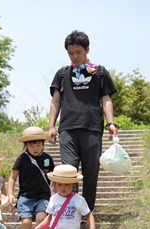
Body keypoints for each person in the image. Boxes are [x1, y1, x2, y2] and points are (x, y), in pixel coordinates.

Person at [48, 30, 118, 214]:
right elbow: (56, 101)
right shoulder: (62, 74)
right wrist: (51, 126)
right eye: (70, 53)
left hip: (92, 127)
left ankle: (87, 212)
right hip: (68, 130)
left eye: (78, 52)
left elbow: (106, 99)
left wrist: (111, 123)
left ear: (87, 49)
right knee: (68, 172)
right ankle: (71, 212)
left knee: (91, 172)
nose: (75, 56)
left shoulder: (100, 72)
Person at [7, 127, 55, 229]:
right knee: (26, 223)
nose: (35, 148)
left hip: (43, 196)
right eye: (31, 145)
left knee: (41, 220)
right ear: (26, 145)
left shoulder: (47, 159)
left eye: (38, 144)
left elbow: (54, 178)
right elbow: (12, 177)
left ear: (43, 145)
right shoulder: (22, 158)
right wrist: (10, 194)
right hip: (26, 197)